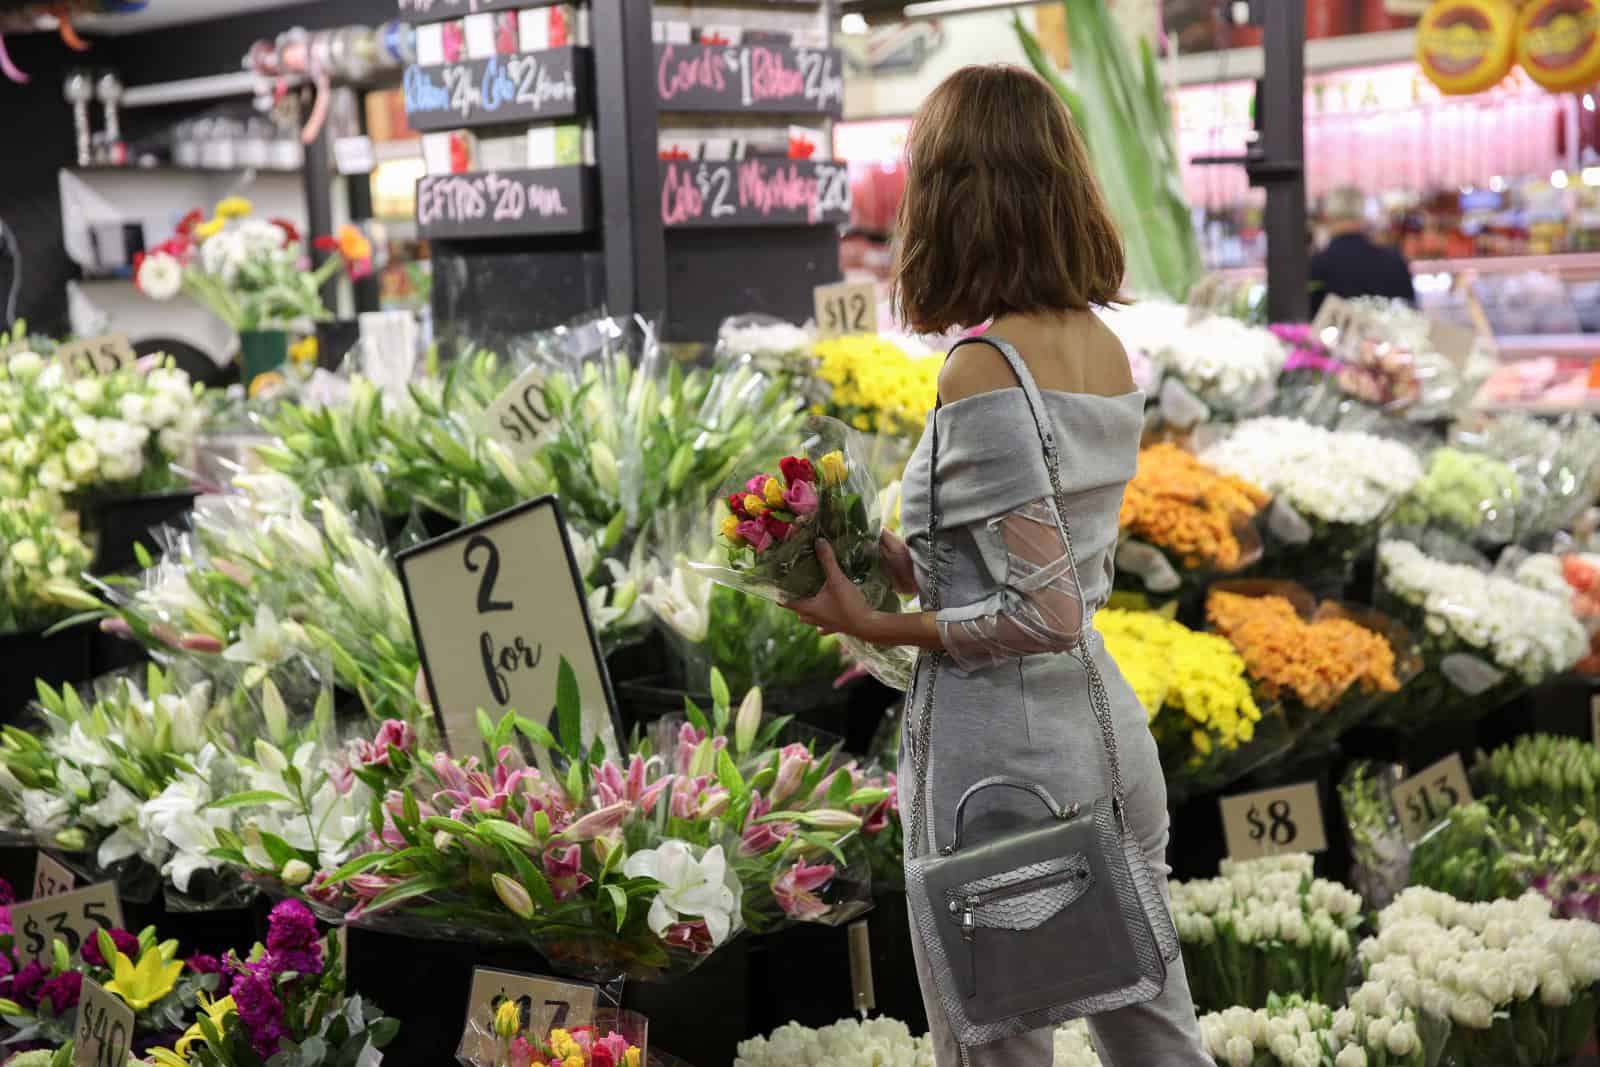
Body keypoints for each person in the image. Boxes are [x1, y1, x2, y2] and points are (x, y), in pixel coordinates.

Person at [784, 65, 1209, 1067]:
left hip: (1004, 762)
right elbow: (1019, 564)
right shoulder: (1101, 345)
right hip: (1099, 739)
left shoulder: (982, 364)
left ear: (954, 195)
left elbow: (1041, 607)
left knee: (996, 1045)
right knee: (1152, 1033)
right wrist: (864, 552)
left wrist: (868, 624)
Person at [1309, 185, 1416, 317]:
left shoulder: (1315, 265)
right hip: (1388, 335)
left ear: (1326, 217)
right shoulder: (1394, 261)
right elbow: (1412, 313)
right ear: (1363, 216)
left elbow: (1309, 316)